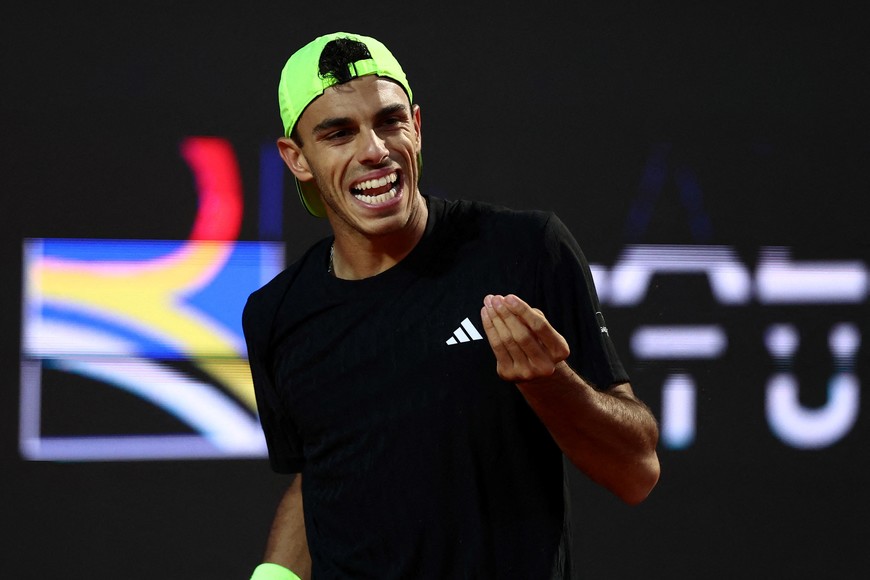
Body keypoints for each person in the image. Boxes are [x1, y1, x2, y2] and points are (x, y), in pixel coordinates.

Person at [244, 32, 660, 580]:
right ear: (297, 159)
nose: (375, 150)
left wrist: (549, 382)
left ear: (417, 125)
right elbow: (320, 474)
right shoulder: (276, 314)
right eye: (339, 133)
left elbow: (637, 471)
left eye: (389, 121)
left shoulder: (526, 249)